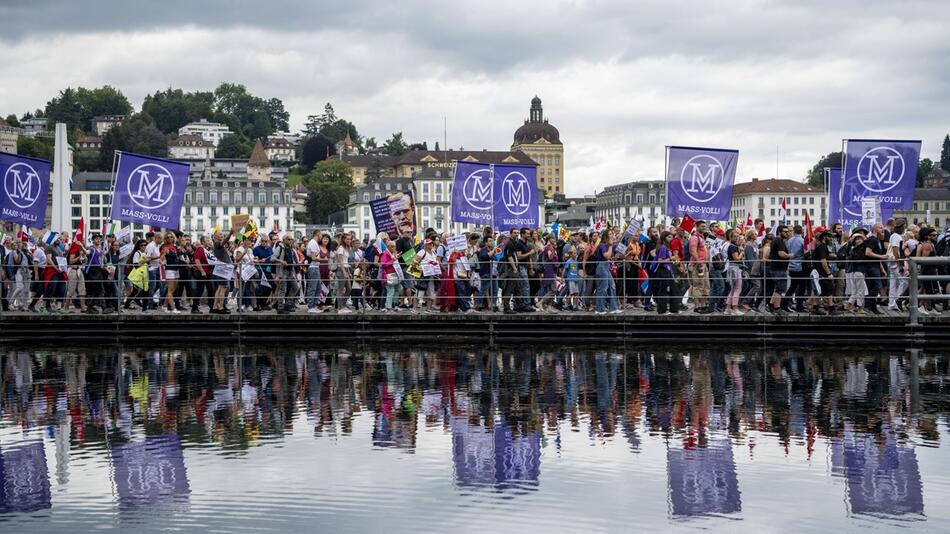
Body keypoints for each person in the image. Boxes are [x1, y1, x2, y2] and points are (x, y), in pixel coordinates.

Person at [653, 231, 679, 315]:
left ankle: (673, 309)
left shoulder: (665, 247)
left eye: (671, 237)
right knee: (663, 290)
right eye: (669, 237)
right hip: (663, 270)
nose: (671, 239)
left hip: (667, 269)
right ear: (664, 238)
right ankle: (662, 310)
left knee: (673, 289)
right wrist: (671, 258)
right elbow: (660, 260)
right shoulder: (663, 247)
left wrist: (672, 261)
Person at [688, 221, 711, 313]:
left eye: (704, 226)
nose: (703, 228)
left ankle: (703, 305)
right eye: (702, 226)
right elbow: (693, 251)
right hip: (698, 264)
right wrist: (699, 262)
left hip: (703, 263)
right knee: (698, 285)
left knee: (705, 285)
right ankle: (697, 306)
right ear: (696, 227)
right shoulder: (694, 237)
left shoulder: (702, 237)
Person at [768, 226, 792, 314]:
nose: (787, 233)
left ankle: (771, 305)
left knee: (777, 288)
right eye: (785, 232)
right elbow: (781, 254)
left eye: (788, 231)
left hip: (776, 268)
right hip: (779, 268)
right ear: (779, 232)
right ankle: (777, 308)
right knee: (780, 288)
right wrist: (790, 255)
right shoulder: (779, 240)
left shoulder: (775, 240)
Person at [724, 229, 744, 315]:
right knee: (737, 289)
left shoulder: (732, 246)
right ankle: (735, 308)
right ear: (730, 237)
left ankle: (728, 308)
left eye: (737, 236)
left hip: (732, 268)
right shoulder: (733, 247)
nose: (737, 238)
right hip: (735, 268)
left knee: (733, 289)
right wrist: (742, 253)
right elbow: (737, 258)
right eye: (735, 236)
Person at [305, 230, 323, 313]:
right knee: (313, 287)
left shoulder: (314, 243)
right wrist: (324, 260)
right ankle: (311, 306)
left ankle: (314, 305)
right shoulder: (313, 243)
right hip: (313, 267)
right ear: (318, 234)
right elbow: (313, 258)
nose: (322, 236)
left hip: (316, 267)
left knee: (318, 287)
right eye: (321, 235)